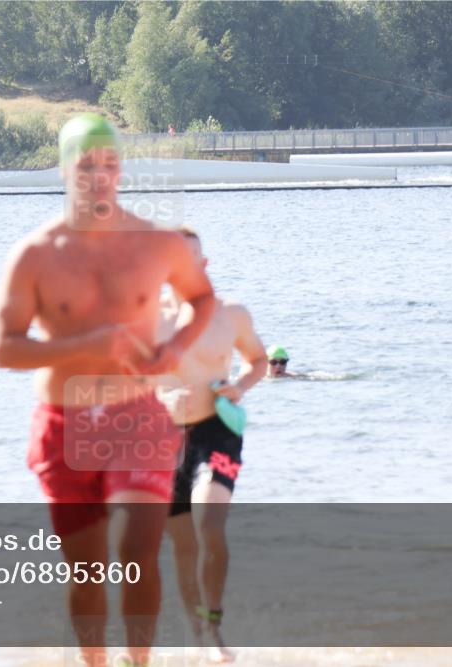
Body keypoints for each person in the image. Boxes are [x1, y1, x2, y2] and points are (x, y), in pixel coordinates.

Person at [0, 113, 216, 667]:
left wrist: (175, 349)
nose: (99, 177)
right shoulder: (36, 254)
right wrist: (88, 344)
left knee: (136, 552)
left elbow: (202, 300)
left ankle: (137, 662)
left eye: (110, 165)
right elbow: (4, 349)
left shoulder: (156, 243)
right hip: (64, 421)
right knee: (86, 571)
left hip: (136, 414)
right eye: (87, 165)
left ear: (121, 170)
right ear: (65, 168)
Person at [156, 228, 268, 663]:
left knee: (208, 524)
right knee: (182, 545)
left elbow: (258, 360)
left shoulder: (231, 314)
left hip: (215, 431)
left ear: (204, 265)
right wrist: (162, 399)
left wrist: (240, 385)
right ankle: (197, 632)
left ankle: (215, 627)